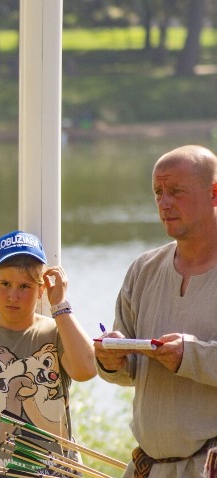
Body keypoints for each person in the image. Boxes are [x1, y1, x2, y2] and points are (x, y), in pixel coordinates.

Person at [95, 145, 217, 478]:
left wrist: (190, 356)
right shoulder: (143, 269)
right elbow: (126, 373)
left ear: (214, 193)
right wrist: (112, 360)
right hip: (148, 468)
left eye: (176, 191)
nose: (164, 203)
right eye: (158, 193)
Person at [0, 230, 96, 477]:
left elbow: (86, 369)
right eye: (5, 284)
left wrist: (60, 305)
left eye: (25, 286)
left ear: (42, 290)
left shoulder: (57, 332)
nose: (13, 296)